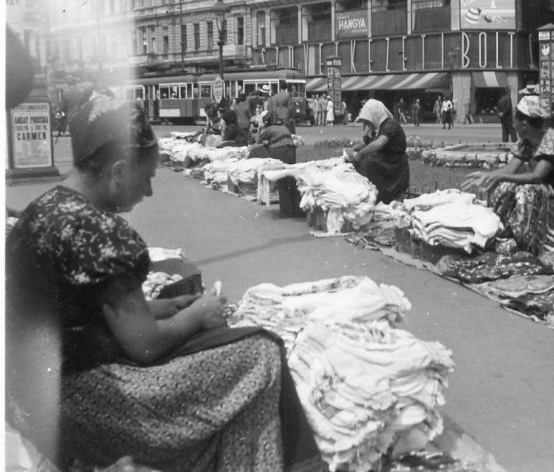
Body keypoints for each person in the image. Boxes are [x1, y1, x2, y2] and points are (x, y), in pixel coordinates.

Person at [5, 95, 322, 471]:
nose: (150, 192)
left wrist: (161, 308)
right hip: (88, 403)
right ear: (119, 171)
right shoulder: (100, 231)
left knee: (220, 348)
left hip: (29, 399)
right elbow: (144, 344)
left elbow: (77, 307)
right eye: (147, 177)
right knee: (261, 354)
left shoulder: (39, 213)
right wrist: (199, 313)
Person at [461, 95, 554, 255]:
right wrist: (488, 176)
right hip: (549, 186)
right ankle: (502, 228)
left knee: (526, 192)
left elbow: (536, 177)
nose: (512, 124)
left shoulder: (551, 140)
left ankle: (526, 241)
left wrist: (500, 177)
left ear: (524, 124)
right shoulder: (526, 141)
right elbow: (510, 170)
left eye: (514, 120)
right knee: (505, 188)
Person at [347, 99, 410, 204]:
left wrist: (360, 153)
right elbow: (365, 143)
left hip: (394, 164)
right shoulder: (377, 127)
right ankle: (362, 193)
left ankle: (375, 194)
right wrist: (352, 149)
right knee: (360, 162)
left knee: (367, 162)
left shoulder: (390, 125)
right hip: (385, 160)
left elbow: (380, 143)